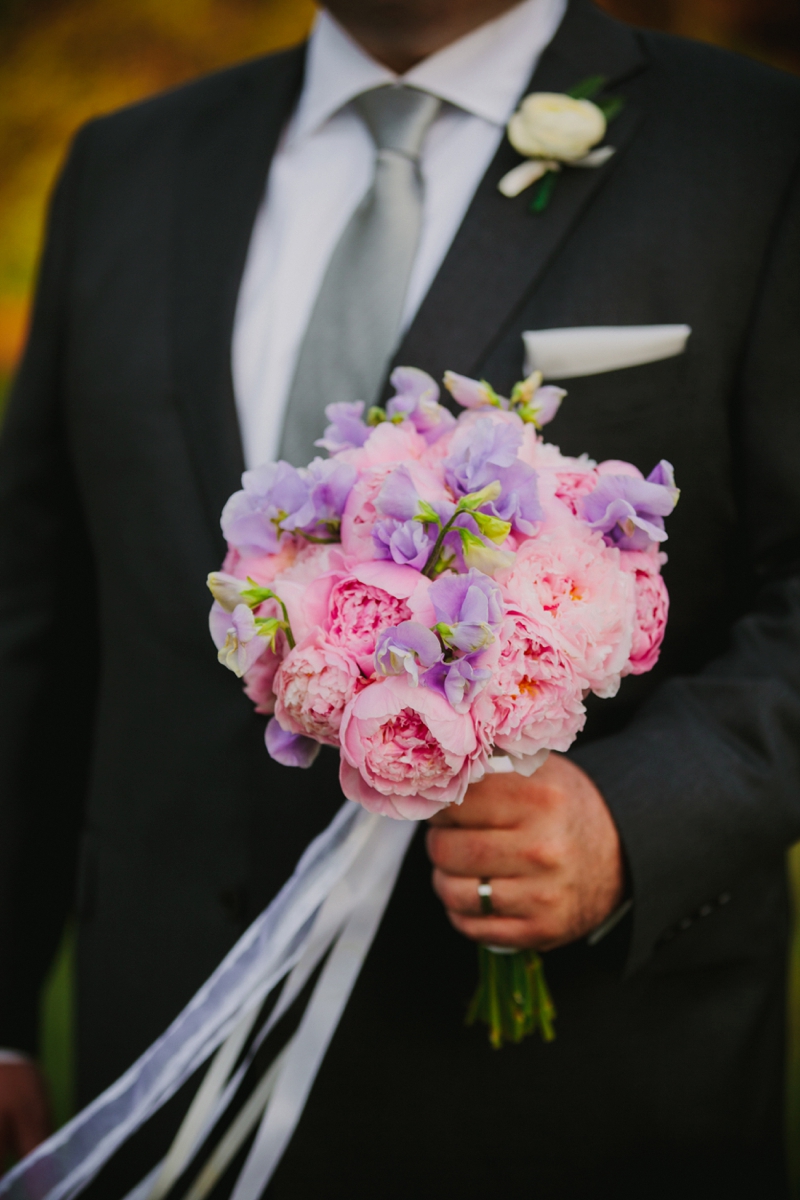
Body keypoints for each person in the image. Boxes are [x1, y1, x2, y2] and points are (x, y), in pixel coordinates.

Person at [1, 0, 799, 1194]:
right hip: (162, 1084)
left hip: (571, 1109)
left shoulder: (754, 146)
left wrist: (632, 816)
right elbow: (32, 630)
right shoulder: (128, 162)